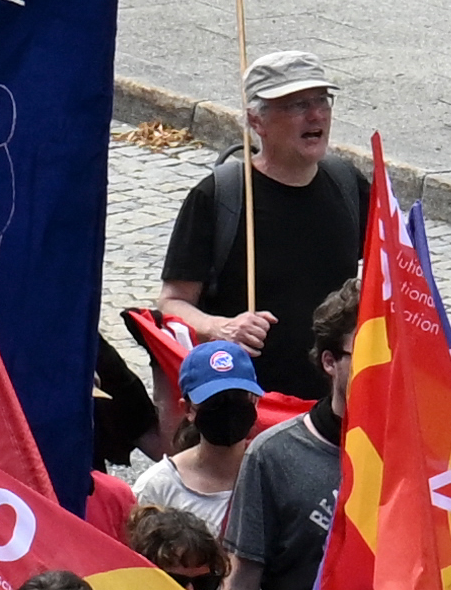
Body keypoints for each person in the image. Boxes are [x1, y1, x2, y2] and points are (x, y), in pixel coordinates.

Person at [149, 51, 384, 383]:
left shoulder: (348, 184)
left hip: (331, 407)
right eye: (297, 105)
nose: (316, 115)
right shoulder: (219, 197)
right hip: (249, 404)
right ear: (257, 121)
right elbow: (172, 303)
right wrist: (220, 328)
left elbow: (385, 278)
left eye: (322, 101)